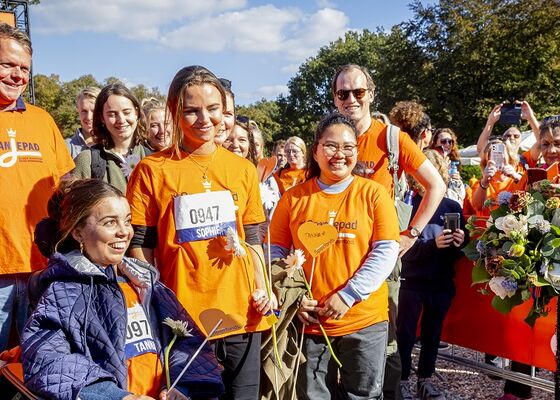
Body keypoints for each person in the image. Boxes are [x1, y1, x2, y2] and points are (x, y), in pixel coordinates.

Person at [127, 65, 274, 400]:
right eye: (191, 111)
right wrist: (155, 301)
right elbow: (140, 244)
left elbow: (252, 237)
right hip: (183, 321)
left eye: (213, 109)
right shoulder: (151, 170)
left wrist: (261, 285)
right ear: (175, 113)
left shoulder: (242, 169)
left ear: (225, 111)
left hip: (241, 315)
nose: (204, 119)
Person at [22, 178, 224, 400]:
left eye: (127, 221)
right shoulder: (62, 292)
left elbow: (190, 342)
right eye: (110, 222)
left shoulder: (146, 282)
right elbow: (48, 360)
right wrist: (116, 396)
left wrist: (181, 386)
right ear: (78, 232)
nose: (124, 232)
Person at [331, 63, 446, 400]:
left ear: (371, 94)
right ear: (335, 99)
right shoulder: (332, 137)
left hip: (379, 258)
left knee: (386, 340)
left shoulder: (390, 137)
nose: (351, 99)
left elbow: (435, 186)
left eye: (358, 92)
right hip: (337, 254)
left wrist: (411, 233)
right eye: (343, 93)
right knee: (340, 335)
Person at [268, 112, 400, 399]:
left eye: (348, 147)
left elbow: (386, 249)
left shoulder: (374, 194)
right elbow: (274, 251)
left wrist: (349, 295)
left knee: (363, 395)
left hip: (364, 321)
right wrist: (292, 297)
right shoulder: (293, 198)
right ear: (315, 151)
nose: (340, 154)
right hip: (311, 322)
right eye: (330, 146)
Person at [0, 23, 74, 352]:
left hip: (42, 269)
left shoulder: (43, 120)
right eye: (7, 65)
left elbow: (66, 186)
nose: (17, 75)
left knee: (40, 361)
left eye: (24, 68)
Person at [397, 150, 468, 400]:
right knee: (404, 334)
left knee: (432, 334)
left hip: (440, 282)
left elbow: (461, 252)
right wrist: (431, 245)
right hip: (411, 282)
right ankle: (402, 380)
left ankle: (424, 381)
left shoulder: (452, 206)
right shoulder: (406, 205)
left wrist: (460, 241)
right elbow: (400, 250)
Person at [72, 83, 148, 194]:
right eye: (112, 114)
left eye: (126, 112)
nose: (121, 120)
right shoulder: (87, 161)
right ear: (102, 117)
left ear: (136, 113)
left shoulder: (154, 158)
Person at [476, 101, 541, 169]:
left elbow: (541, 143)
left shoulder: (525, 159)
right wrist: (490, 121)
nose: (512, 138)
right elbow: (481, 149)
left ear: (520, 140)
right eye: (508, 136)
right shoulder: (493, 157)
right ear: (502, 139)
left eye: (516, 136)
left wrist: (530, 117)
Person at [472, 139, 522, 216]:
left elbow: (530, 194)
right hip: (488, 226)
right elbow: (477, 206)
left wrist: (515, 176)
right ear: (487, 159)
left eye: (502, 154)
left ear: (509, 157)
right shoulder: (481, 183)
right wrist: (485, 182)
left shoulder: (518, 178)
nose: (499, 158)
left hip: (514, 225)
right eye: (494, 155)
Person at [430, 128, 466, 206]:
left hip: (453, 205)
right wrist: (443, 171)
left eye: (450, 141)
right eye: (443, 141)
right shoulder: (429, 161)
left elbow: (461, 195)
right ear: (435, 143)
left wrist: (458, 180)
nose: (447, 144)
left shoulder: (454, 161)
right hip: (436, 204)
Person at [65, 86, 101, 158]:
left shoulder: (114, 144)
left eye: (94, 111)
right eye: (84, 111)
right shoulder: (66, 147)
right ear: (78, 111)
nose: (89, 117)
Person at [214, 78, 235, 146]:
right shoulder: (181, 155)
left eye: (227, 114)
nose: (221, 122)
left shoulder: (232, 157)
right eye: (213, 111)